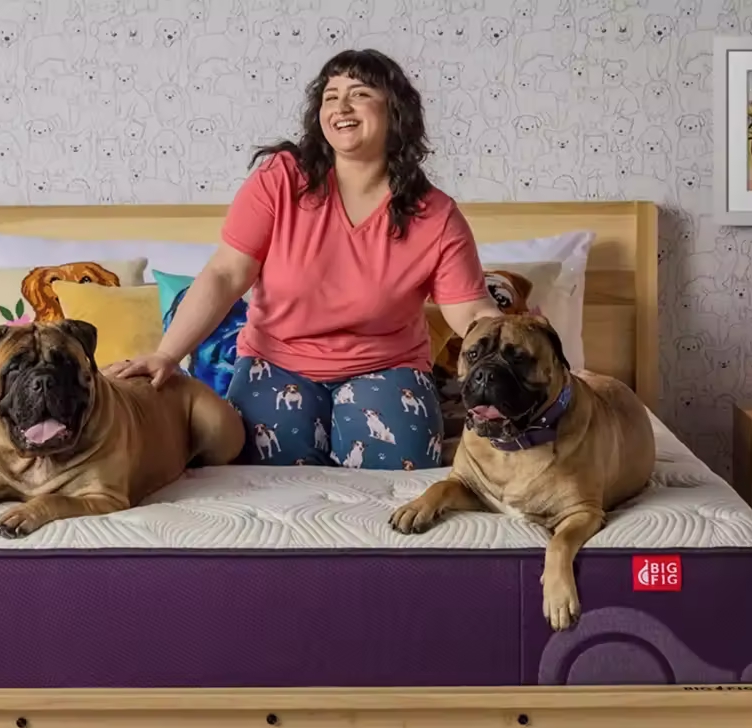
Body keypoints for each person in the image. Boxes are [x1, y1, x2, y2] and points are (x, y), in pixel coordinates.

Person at [105, 50, 502, 470]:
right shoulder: (281, 179)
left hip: (387, 367)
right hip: (276, 361)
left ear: (396, 110)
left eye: (359, 93)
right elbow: (225, 274)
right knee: (261, 470)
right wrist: (166, 356)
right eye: (331, 97)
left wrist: (532, 351)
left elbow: (472, 311)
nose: (341, 107)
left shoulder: (435, 215)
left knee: (401, 466)